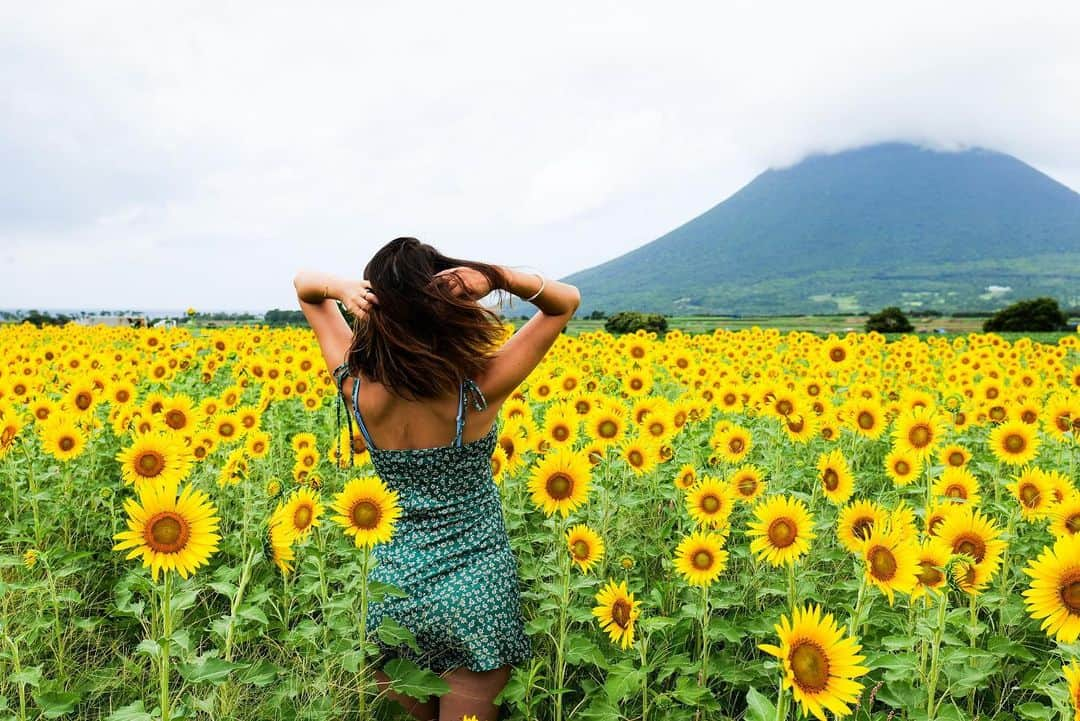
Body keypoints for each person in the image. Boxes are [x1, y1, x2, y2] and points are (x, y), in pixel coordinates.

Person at [294, 237, 581, 721]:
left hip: (394, 588)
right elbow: (564, 303)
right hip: (476, 588)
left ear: (372, 306)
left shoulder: (356, 386)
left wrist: (341, 288)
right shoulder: (477, 389)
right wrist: (499, 277)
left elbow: (305, 288)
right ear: (446, 307)